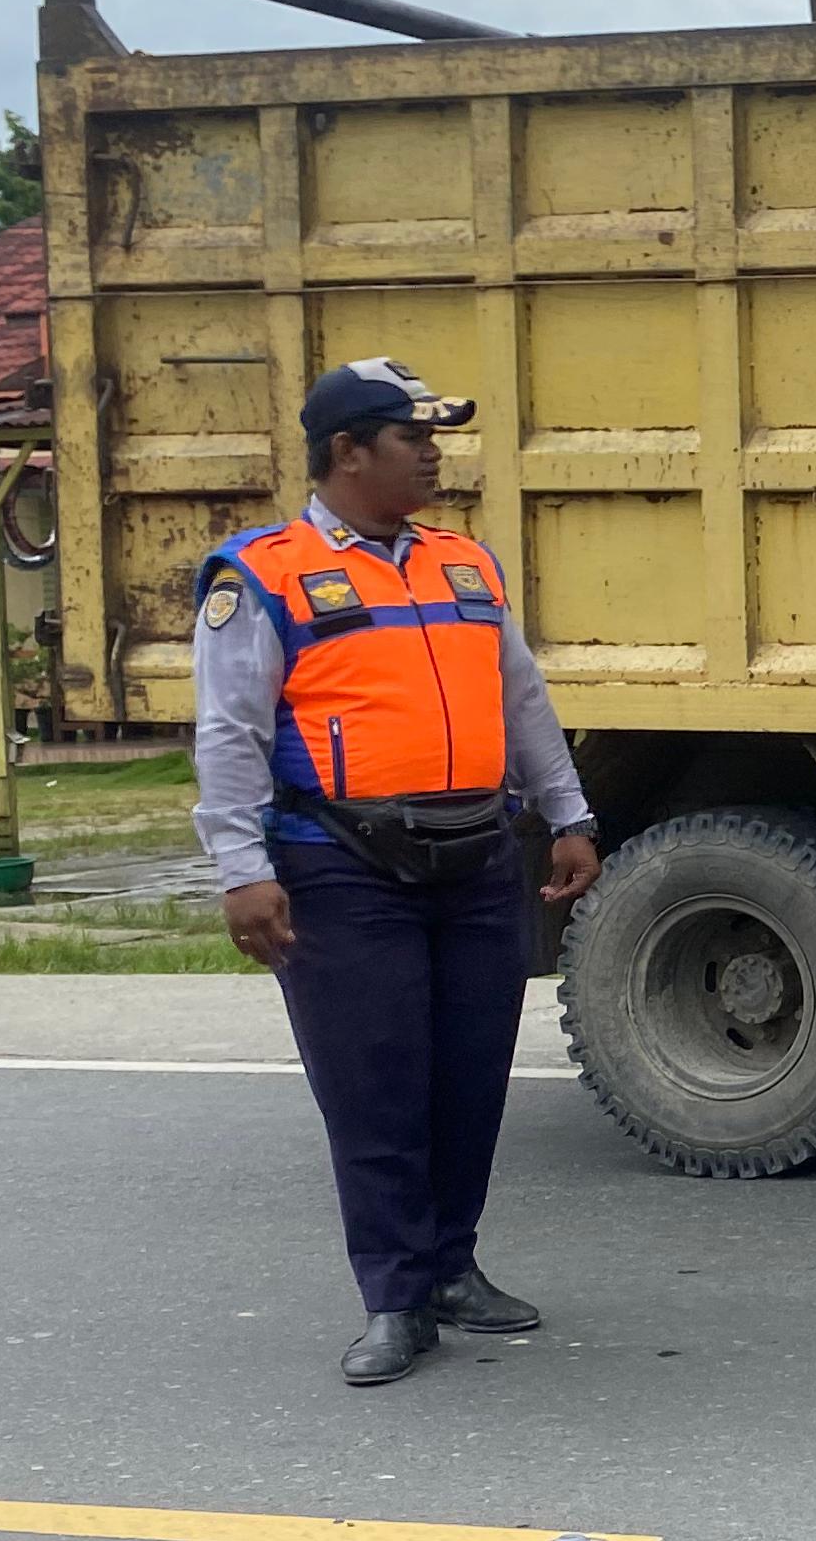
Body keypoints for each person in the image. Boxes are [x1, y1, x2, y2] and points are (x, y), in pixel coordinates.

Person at [192, 361, 599, 1387]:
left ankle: (451, 1268)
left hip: (472, 855)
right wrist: (242, 867)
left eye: (435, 438)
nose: (432, 454)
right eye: (410, 437)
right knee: (376, 1089)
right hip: (340, 865)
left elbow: (523, 700)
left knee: (466, 1078)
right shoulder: (262, 575)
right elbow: (230, 732)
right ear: (345, 452)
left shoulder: (465, 565)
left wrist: (569, 812)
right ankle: (393, 1297)